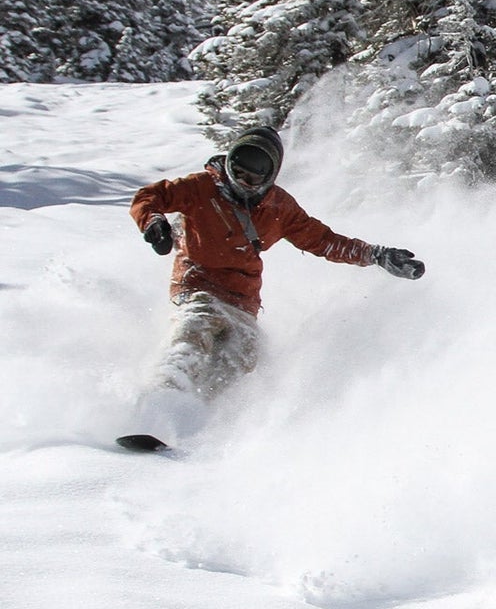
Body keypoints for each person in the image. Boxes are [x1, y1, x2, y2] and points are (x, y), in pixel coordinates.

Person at [128, 125, 424, 417]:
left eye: (256, 172)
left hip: (242, 301)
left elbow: (323, 241)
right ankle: (165, 393)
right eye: (239, 167)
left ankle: (199, 412)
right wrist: (153, 221)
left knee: (245, 352)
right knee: (200, 322)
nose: (244, 178)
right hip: (197, 286)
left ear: (270, 175)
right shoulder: (200, 187)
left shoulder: (278, 207)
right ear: (229, 160)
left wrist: (376, 255)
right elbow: (148, 197)